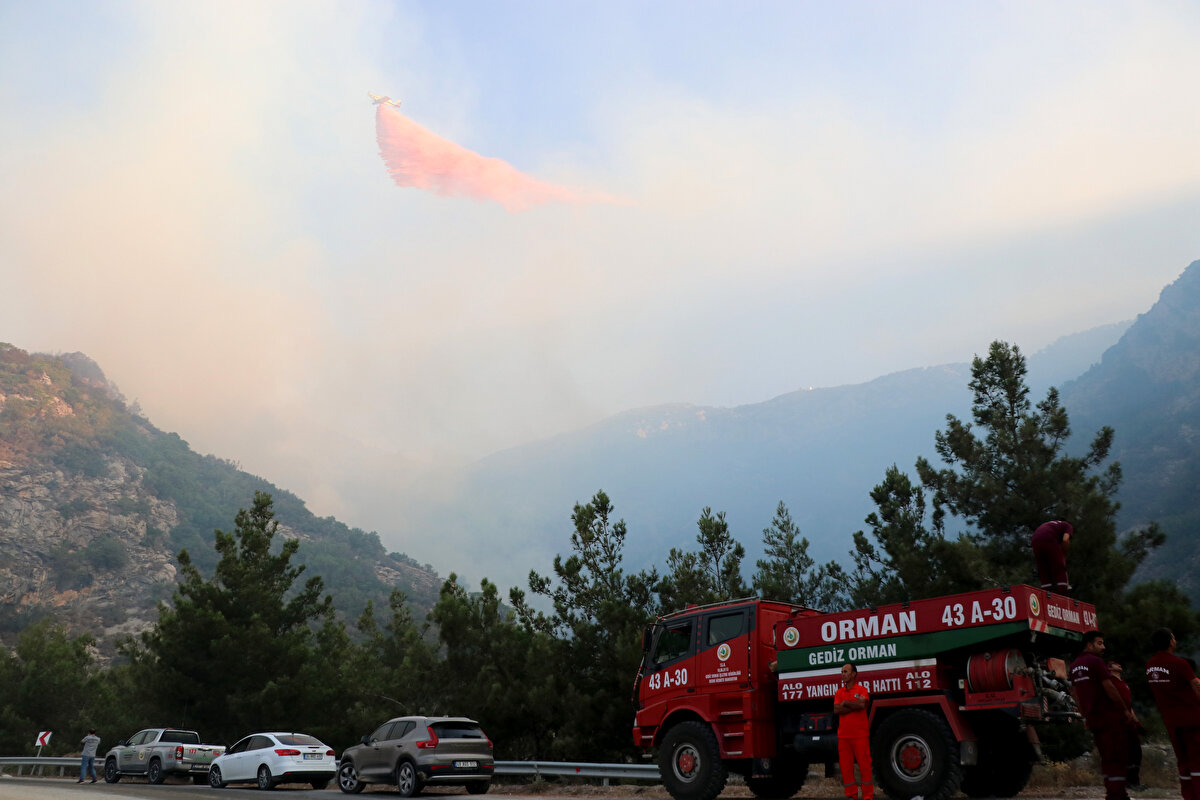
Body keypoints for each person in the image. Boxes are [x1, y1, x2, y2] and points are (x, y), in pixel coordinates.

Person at [1071, 630, 1137, 800]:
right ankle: (1117, 794)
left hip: (1094, 719)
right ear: (1089, 644)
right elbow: (1109, 687)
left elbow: (1075, 694)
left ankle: (1113, 792)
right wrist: (1124, 710)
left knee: (1106, 757)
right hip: (1109, 718)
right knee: (1116, 756)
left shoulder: (1074, 665)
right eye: (1099, 643)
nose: (1103, 647)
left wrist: (1084, 716)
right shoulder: (1095, 662)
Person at [1147, 628, 1200, 800]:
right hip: (1192, 720)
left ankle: (1189, 796)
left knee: (1183, 763)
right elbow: (1196, 686)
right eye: (1174, 638)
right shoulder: (1179, 664)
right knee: (1197, 762)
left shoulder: (1150, 666)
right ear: (1170, 642)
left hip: (1171, 722)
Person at [834, 662, 873, 800]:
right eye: (842, 672)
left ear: (854, 674)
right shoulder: (839, 692)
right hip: (844, 737)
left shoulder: (862, 690)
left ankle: (868, 796)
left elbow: (863, 704)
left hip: (860, 735)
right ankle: (851, 795)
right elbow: (837, 709)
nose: (843, 674)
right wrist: (854, 706)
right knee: (846, 768)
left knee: (865, 766)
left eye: (846, 671)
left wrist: (846, 703)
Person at [1108, 660, 1147, 791]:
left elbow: (1129, 706)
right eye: (1114, 663)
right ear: (1109, 668)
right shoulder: (1109, 683)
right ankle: (1126, 782)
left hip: (1129, 723)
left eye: (1119, 663)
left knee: (1136, 752)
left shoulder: (1123, 683)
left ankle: (1133, 781)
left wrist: (1137, 722)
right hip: (1118, 722)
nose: (1119, 664)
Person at [1032, 520, 1072, 593]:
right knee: (1060, 568)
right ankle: (1063, 593)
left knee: (1043, 569)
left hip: (1035, 539)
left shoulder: (1053, 525)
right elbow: (1065, 540)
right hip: (1048, 537)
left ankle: (1047, 594)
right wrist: (1063, 554)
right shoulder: (1068, 526)